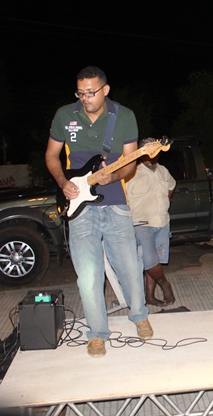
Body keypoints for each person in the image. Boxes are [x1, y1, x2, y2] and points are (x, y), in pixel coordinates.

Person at [45, 66, 152, 358]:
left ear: (105, 90)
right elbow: (51, 155)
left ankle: (139, 315)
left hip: (116, 203)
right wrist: (63, 182)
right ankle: (96, 333)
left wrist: (113, 176)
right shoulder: (65, 115)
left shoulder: (124, 116)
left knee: (130, 266)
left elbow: (130, 162)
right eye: (80, 93)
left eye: (91, 92)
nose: (85, 98)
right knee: (88, 276)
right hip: (80, 209)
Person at [127, 137, 178, 307]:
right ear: (141, 152)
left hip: (162, 221)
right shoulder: (131, 172)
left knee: (155, 260)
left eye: (156, 149)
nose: (154, 152)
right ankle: (165, 285)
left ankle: (149, 296)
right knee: (149, 260)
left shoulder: (163, 170)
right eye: (150, 149)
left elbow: (171, 187)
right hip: (142, 223)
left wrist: (160, 201)